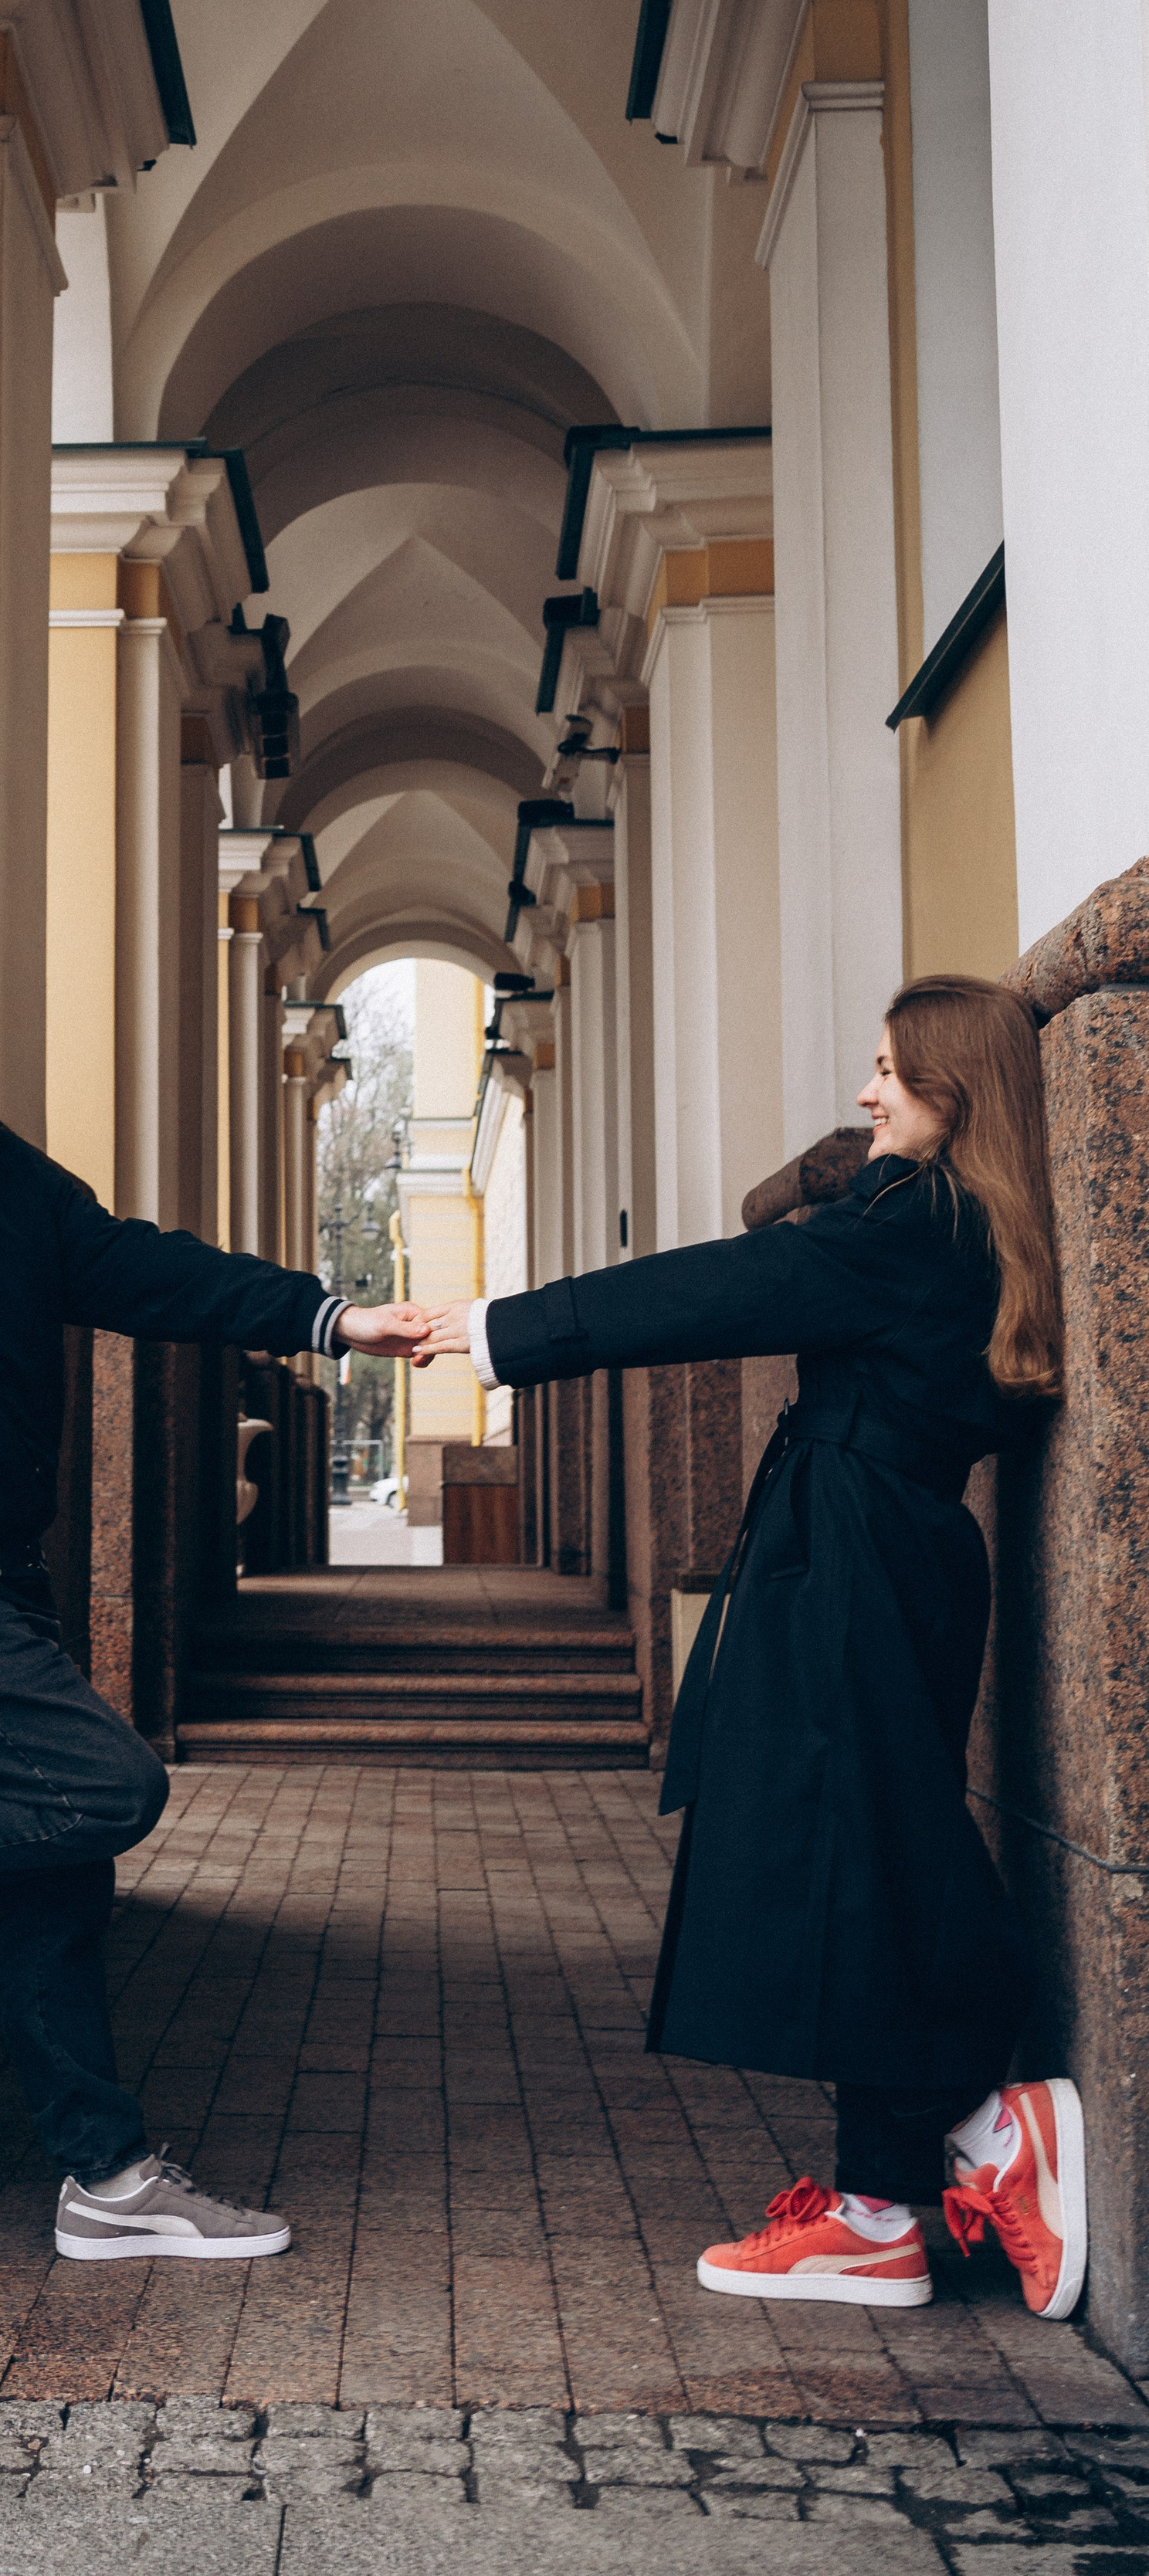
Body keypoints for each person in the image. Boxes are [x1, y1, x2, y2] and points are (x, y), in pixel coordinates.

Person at [0, 948, 428, 2266]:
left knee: (55, 1875)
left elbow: (142, 1269)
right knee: (111, 1786)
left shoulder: (6, 1180)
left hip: (2, 1562)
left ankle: (106, 2180)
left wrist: (331, 1319)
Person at [417, 974, 1084, 2318]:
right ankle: (895, 2191)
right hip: (886, 1542)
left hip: (849, 1554)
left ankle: (960, 2148)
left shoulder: (918, 1221)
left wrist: (502, 1330)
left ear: (954, 1089)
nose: (865, 1092)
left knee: (853, 1846)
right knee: (858, 1838)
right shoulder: (969, 1227)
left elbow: (730, 1287)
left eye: (890, 1070)